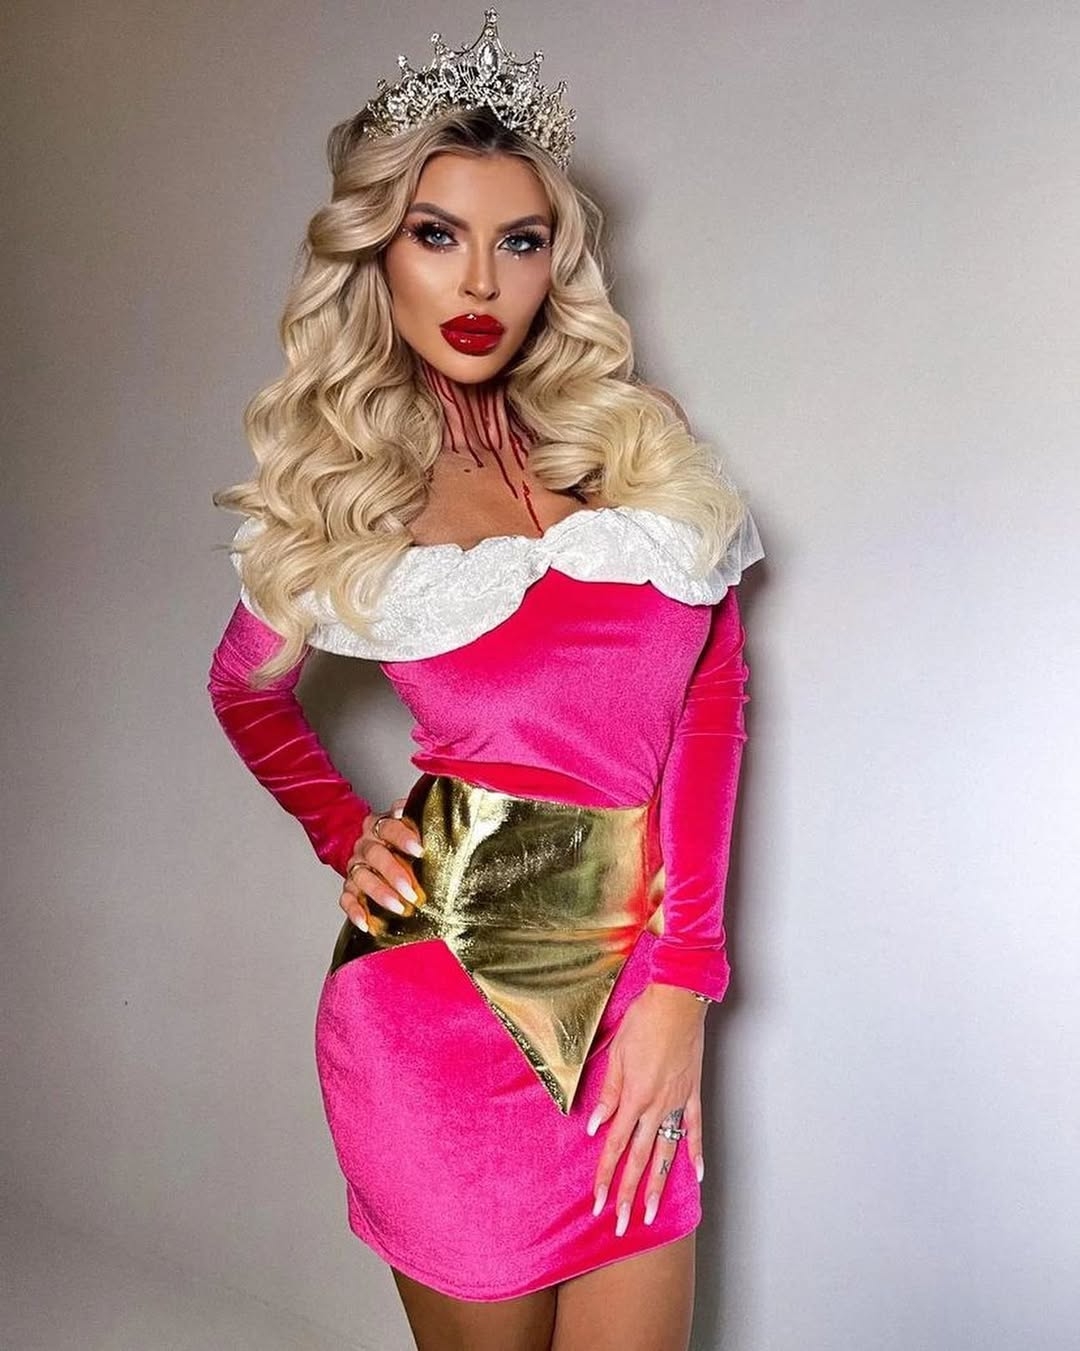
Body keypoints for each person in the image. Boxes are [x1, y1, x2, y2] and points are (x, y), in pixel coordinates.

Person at [207, 10, 764, 1350]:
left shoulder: (634, 445)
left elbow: (712, 694)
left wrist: (682, 985)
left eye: (519, 241)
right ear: (377, 254)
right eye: (436, 234)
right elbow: (244, 690)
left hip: (635, 1001)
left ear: (555, 263)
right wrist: (343, 830)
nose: (480, 281)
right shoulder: (349, 492)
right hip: (434, 1021)